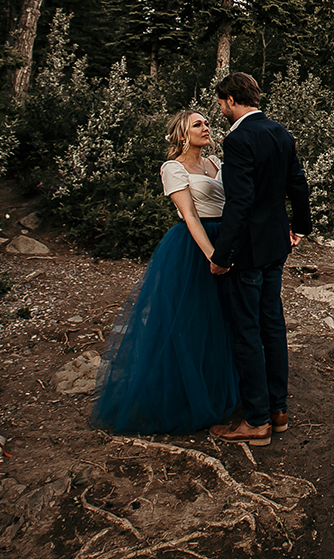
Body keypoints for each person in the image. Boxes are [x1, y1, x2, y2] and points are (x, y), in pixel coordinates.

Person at [89, 111, 240, 434]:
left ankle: (217, 390)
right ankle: (181, 397)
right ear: (182, 134)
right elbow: (189, 215)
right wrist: (213, 255)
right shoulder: (172, 168)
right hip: (193, 246)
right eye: (197, 124)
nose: (206, 127)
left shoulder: (217, 163)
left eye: (206, 123)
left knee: (223, 318)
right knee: (188, 318)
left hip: (225, 241)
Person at [207, 72, 312, 446]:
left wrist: (222, 254)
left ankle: (255, 421)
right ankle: (278, 411)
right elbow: (297, 183)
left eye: (221, 103)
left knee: (247, 331)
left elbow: (240, 202)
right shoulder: (280, 132)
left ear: (233, 99)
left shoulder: (238, 139)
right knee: (273, 325)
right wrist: (300, 227)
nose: (220, 109)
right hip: (276, 246)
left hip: (248, 250)